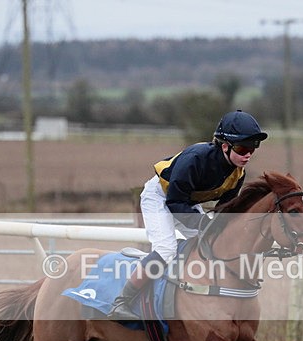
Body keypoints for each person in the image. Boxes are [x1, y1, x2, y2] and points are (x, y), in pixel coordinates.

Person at [107, 110, 268, 320]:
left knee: (208, 245)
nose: (248, 154)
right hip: (160, 198)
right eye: (243, 148)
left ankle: (191, 297)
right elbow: (173, 201)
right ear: (225, 146)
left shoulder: (238, 172)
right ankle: (122, 301)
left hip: (184, 202)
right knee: (166, 250)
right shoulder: (195, 159)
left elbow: (224, 208)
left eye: (253, 148)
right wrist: (203, 223)